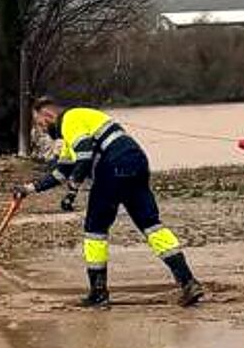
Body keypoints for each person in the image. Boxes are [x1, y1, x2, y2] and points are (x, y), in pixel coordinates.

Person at [13, 96, 204, 308]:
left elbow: (85, 154)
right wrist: (28, 189)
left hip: (112, 167)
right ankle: (188, 282)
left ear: (48, 115)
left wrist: (72, 191)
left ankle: (98, 293)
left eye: (39, 124)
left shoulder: (70, 119)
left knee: (95, 230)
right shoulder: (76, 128)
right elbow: (62, 172)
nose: (41, 129)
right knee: (151, 225)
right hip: (136, 161)